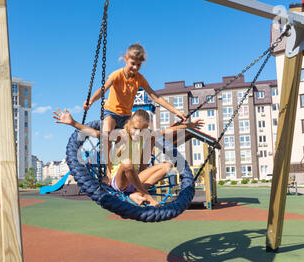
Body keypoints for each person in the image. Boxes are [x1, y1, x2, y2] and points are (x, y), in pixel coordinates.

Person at [53, 108, 203, 206]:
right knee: (127, 162)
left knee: (166, 166)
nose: (138, 133)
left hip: (136, 180)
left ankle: (136, 194)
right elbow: (98, 134)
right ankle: (145, 195)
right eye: (136, 129)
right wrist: (73, 123)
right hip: (120, 181)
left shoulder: (145, 135)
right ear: (129, 124)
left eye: (142, 130)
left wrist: (189, 125)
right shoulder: (121, 136)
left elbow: (168, 131)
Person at [83, 43, 188, 181]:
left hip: (127, 116)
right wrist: (90, 101)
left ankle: (140, 171)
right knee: (107, 134)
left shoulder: (139, 78)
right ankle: (108, 172)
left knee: (138, 140)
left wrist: (175, 111)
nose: (135, 68)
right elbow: (102, 90)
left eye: (138, 65)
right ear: (125, 59)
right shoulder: (116, 75)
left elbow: (155, 96)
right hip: (112, 113)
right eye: (133, 63)